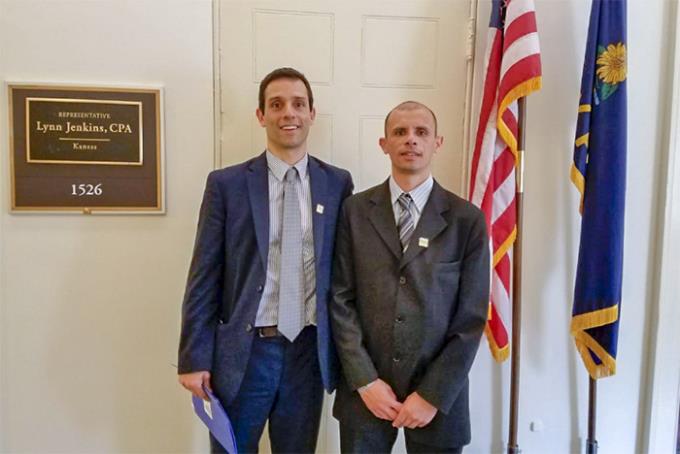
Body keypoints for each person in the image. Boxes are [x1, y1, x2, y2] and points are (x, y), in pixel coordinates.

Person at [178, 67, 353, 453]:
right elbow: (204, 276)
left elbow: (345, 275)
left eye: (297, 104)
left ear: (312, 113)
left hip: (308, 353)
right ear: (261, 115)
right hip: (245, 353)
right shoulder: (227, 185)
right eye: (276, 105)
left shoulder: (337, 183)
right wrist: (193, 357)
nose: (288, 113)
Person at [330, 101, 490, 453]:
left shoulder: (467, 221)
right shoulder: (354, 212)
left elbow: (471, 319)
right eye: (399, 132)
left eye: (421, 132)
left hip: (438, 398)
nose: (410, 140)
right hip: (367, 393)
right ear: (384, 143)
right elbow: (341, 300)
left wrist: (432, 395)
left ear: (437, 142)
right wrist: (365, 380)